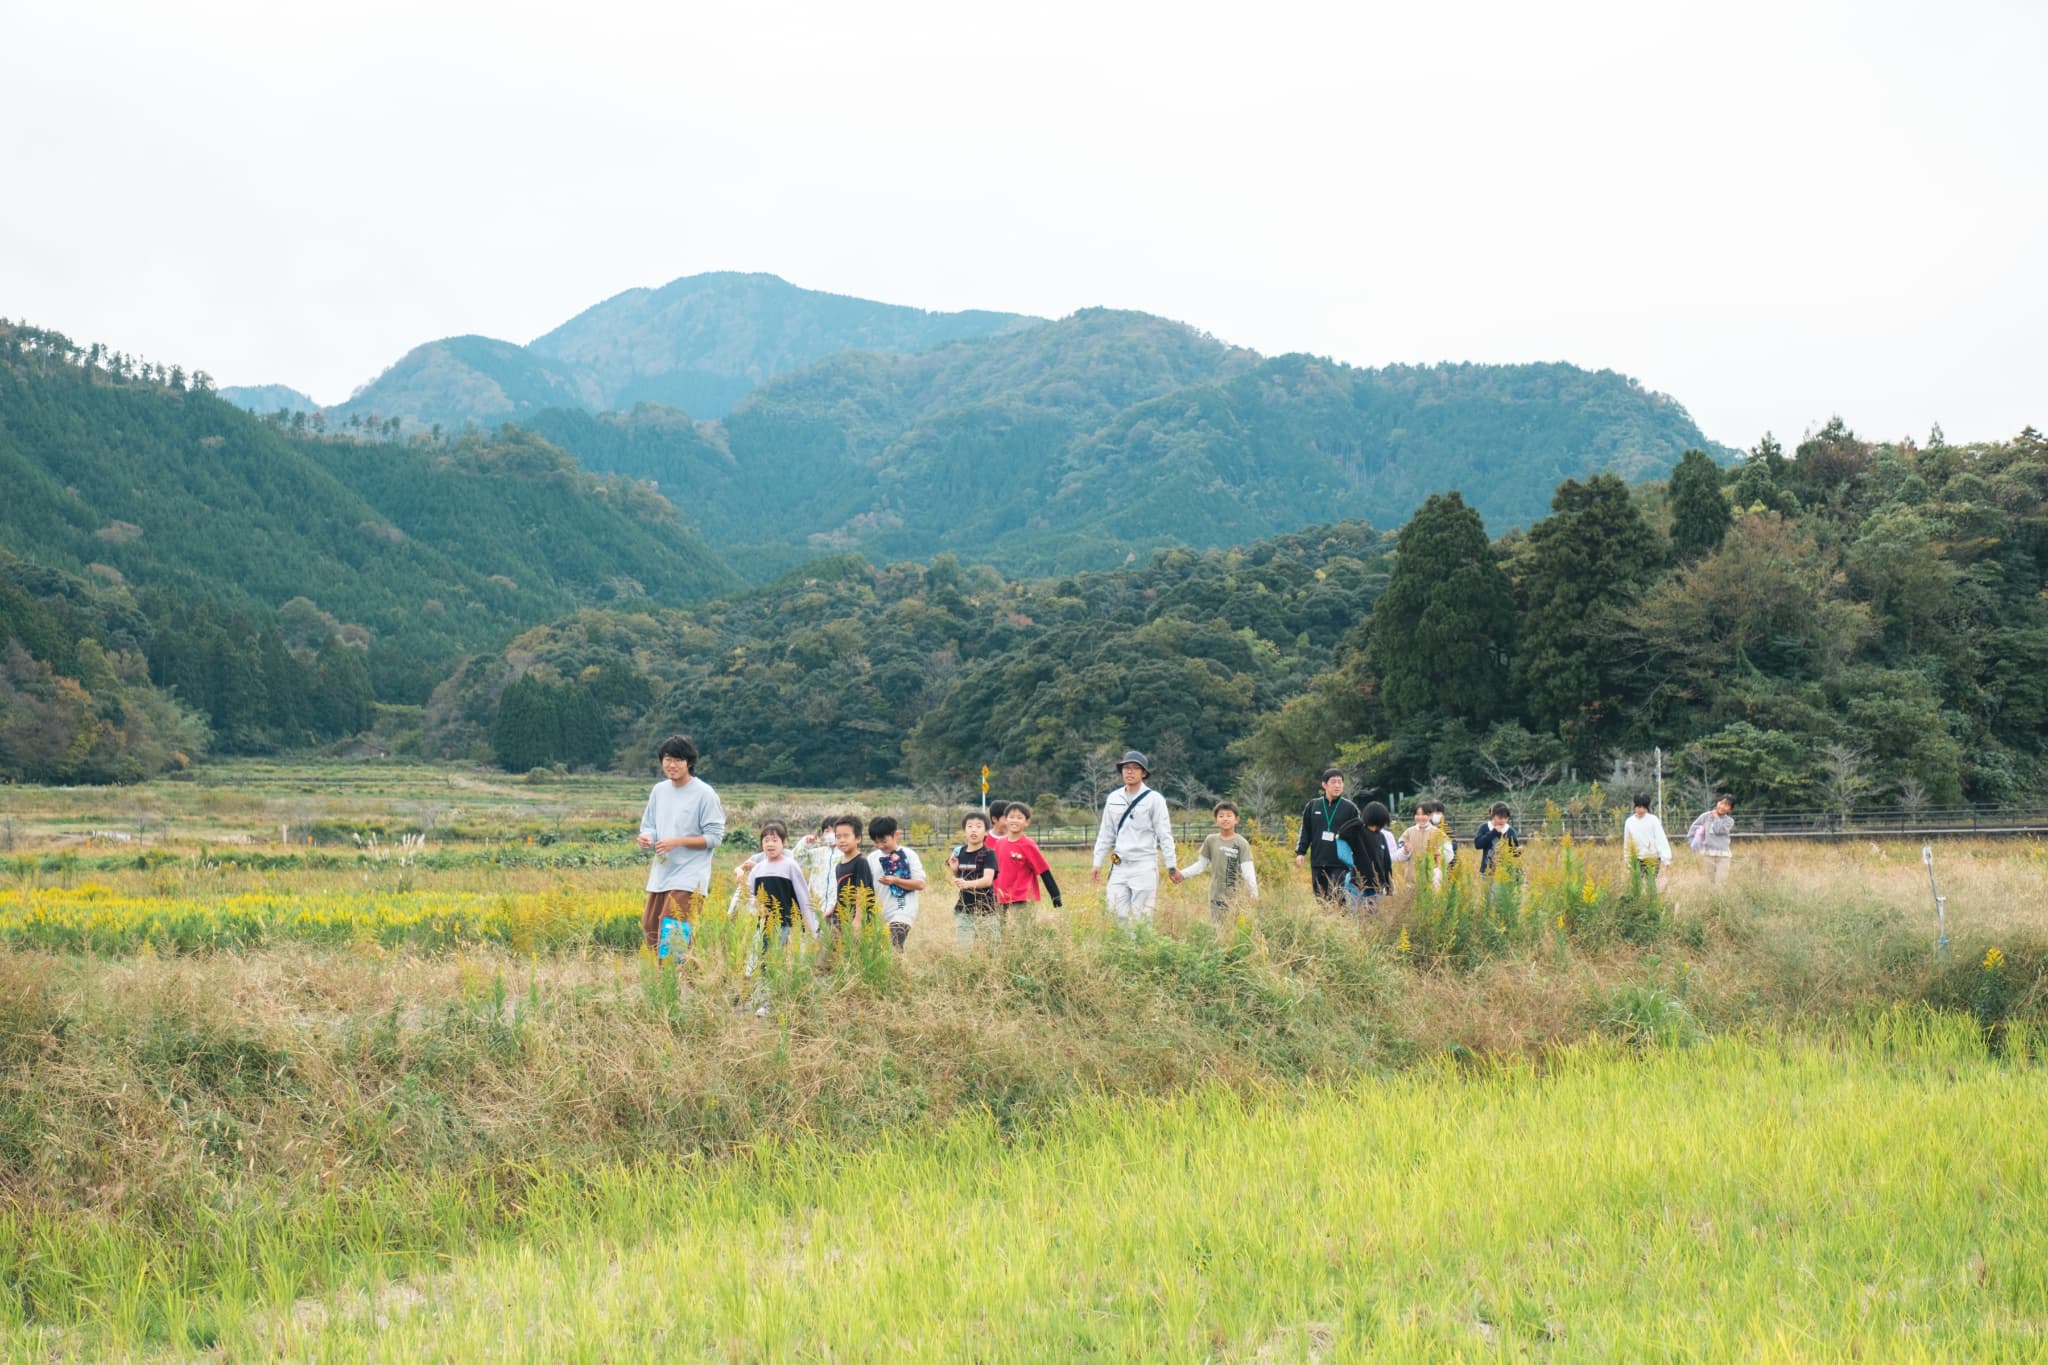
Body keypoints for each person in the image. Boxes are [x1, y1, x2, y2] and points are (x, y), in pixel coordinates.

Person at [635, 734, 726, 963]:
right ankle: (687, 975)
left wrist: (678, 841)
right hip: (663, 870)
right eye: (667, 759)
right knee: (650, 924)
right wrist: (647, 838)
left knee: (673, 925)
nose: (672, 765)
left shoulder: (705, 794)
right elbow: (650, 826)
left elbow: (715, 837)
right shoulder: (659, 790)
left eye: (678, 760)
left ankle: (673, 981)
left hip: (690, 874)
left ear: (689, 763)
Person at [1090, 749, 1180, 926]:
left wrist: (1171, 865)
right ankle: (1122, 951)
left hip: (1144, 863)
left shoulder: (1155, 799)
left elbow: (1164, 834)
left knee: (1142, 916)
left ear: (1143, 773)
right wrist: (1097, 862)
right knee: (1115, 912)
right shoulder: (1113, 798)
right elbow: (1106, 833)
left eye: (1134, 768)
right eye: (1126, 768)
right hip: (1119, 863)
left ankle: (1141, 952)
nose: (1129, 771)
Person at [1178, 800, 1259, 927]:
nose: (1225, 819)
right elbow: (1201, 865)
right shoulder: (1211, 840)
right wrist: (1182, 874)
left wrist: (1254, 893)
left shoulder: (1241, 843)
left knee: (1237, 929)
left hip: (1237, 898)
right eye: (1221, 816)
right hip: (1216, 896)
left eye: (1229, 815)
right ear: (1216, 820)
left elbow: (1248, 871)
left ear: (1236, 819)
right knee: (1218, 930)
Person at [1294, 767, 1363, 904]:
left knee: (1338, 896)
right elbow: (1305, 830)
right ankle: (1326, 923)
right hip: (1318, 860)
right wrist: (1301, 852)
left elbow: (1358, 835)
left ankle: (1340, 922)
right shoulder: (1313, 805)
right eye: (1333, 782)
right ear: (1324, 785)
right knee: (1320, 897)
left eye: (1340, 782)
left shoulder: (1350, 808)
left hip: (1340, 861)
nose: (1337, 785)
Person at [993, 802, 1062, 924]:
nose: (1015, 820)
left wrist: (1055, 896)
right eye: (1011, 817)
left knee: (1022, 934)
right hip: (1000, 896)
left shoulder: (1028, 844)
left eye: (1019, 817)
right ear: (1005, 819)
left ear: (1027, 822)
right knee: (999, 932)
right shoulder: (999, 844)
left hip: (1022, 897)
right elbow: (994, 871)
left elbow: (1044, 871)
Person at [866, 816, 926, 952]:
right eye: (876, 842)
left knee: (893, 943)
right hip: (881, 912)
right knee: (882, 950)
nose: (880, 846)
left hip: (903, 909)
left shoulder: (909, 855)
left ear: (896, 835)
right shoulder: (872, 858)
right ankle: (897, 972)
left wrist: (896, 881)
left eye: (883, 841)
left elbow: (920, 884)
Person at [1335, 800, 1402, 912]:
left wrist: (1389, 886)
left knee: (1373, 914)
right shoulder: (1358, 832)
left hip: (1376, 884)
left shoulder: (1381, 837)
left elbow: (1386, 862)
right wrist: (1361, 820)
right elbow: (1342, 832)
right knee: (1355, 913)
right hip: (1357, 882)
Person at [949, 810, 1002, 947]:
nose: (974, 830)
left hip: (986, 910)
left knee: (991, 951)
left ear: (986, 832)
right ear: (964, 831)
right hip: (964, 909)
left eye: (979, 826)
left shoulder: (988, 853)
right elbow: (959, 881)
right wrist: (955, 871)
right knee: (964, 951)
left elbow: (987, 880)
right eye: (970, 826)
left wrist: (967, 884)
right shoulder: (959, 853)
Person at [826, 814, 877, 935]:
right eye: (838, 837)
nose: (842, 840)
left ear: (858, 838)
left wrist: (858, 919)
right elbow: (840, 893)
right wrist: (832, 910)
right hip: (841, 918)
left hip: (857, 919)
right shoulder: (839, 865)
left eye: (846, 836)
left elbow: (861, 891)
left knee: (856, 952)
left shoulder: (860, 862)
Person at [1621, 794, 1674, 894]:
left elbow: (1660, 839)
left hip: (1652, 858)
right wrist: (1627, 859)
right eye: (1638, 807)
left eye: (1644, 807)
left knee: (1651, 884)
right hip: (1636, 858)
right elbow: (1627, 842)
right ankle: (1639, 904)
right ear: (1635, 806)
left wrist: (1666, 858)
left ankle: (1652, 902)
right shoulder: (1629, 822)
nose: (1641, 810)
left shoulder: (1653, 820)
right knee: (1637, 885)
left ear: (1647, 808)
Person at [1690, 794, 1736, 886]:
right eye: (1721, 803)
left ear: (1730, 809)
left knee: (1720, 883)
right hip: (1707, 854)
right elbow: (1693, 830)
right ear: (1717, 802)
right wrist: (1694, 843)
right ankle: (1711, 900)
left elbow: (1718, 830)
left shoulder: (1729, 821)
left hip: (1723, 856)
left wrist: (1716, 817)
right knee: (1710, 883)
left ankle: (1720, 900)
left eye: (1726, 805)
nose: (1722, 806)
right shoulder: (1705, 816)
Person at [1472, 802, 1520, 876]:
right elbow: (1478, 845)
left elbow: (1514, 853)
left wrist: (1518, 851)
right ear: (1493, 815)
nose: (1503, 820)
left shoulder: (1510, 831)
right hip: (1487, 870)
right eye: (1500, 818)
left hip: (1505, 872)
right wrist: (1493, 832)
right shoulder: (1485, 827)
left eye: (1506, 818)